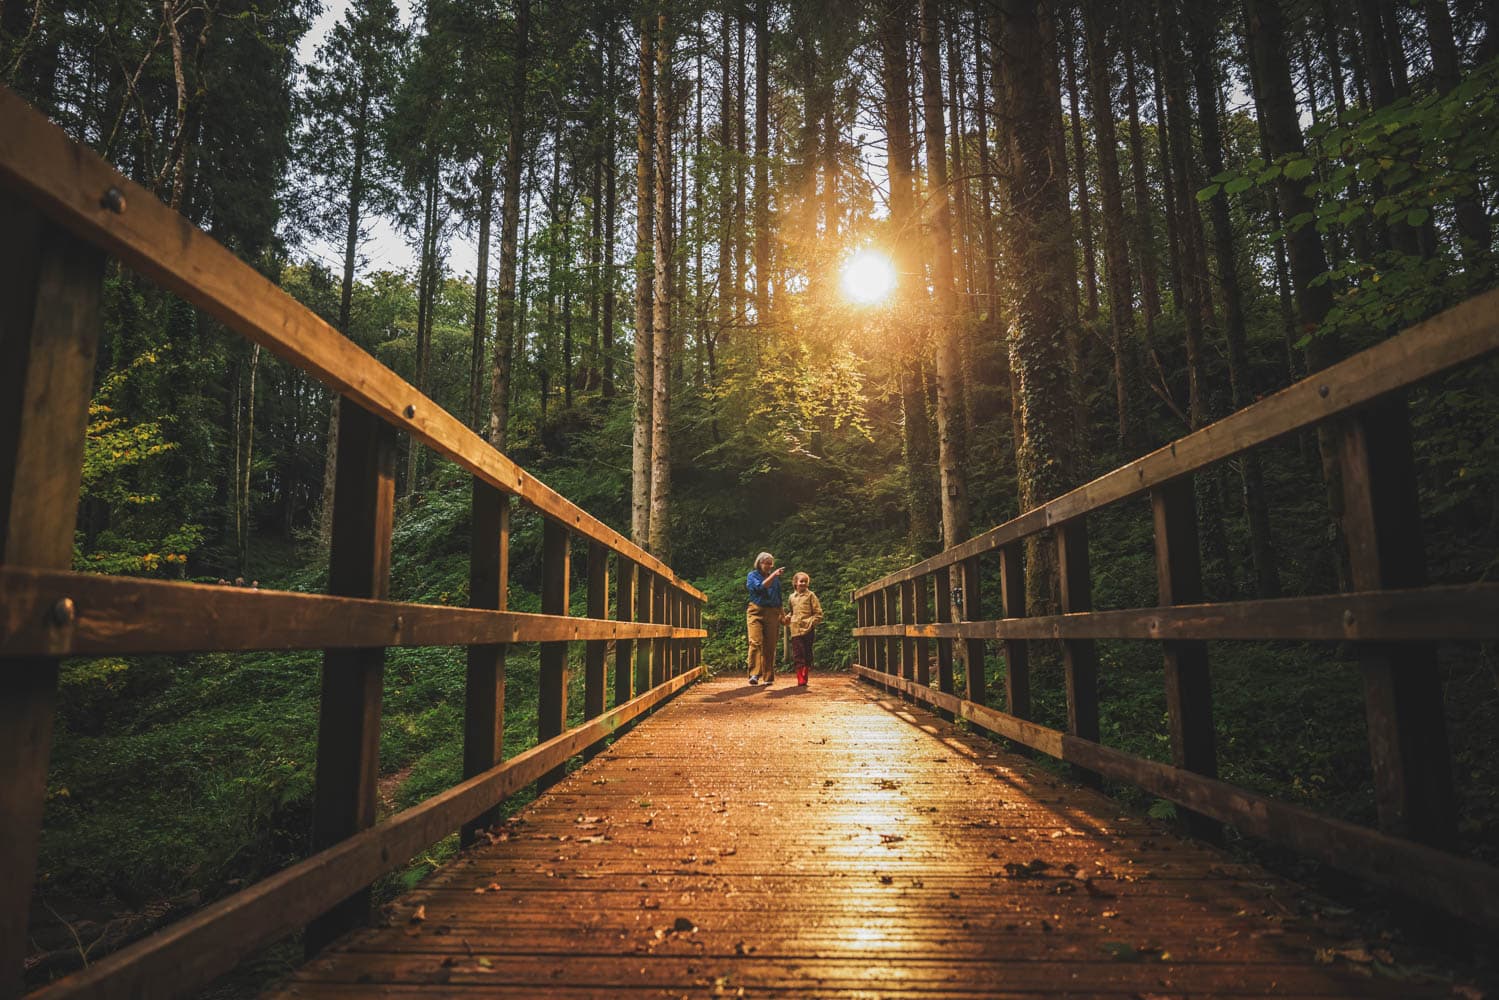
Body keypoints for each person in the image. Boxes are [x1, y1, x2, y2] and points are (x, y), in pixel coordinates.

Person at [745, 552, 785, 685]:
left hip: (773, 612)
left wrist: (783, 616)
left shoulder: (776, 580)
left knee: (770, 645)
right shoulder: (752, 576)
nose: (768, 566)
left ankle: (768, 676)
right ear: (759, 563)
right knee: (755, 641)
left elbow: (779, 599)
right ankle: (754, 674)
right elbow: (760, 587)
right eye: (765, 563)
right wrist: (774, 575)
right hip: (756, 610)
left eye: (770, 563)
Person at [786, 572, 824, 687]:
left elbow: (818, 612)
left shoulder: (811, 595)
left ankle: (805, 673)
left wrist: (812, 622)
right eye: (801, 581)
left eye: (805, 581)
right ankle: (800, 677)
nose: (803, 583)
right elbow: (791, 611)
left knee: (807, 652)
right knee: (798, 653)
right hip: (795, 629)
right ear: (795, 583)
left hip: (808, 629)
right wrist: (788, 617)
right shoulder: (791, 597)